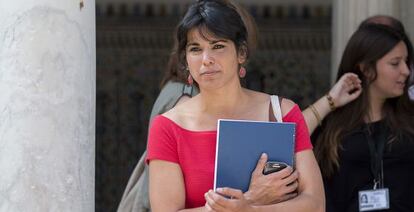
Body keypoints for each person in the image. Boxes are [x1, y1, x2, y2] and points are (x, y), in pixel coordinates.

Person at [146, 0, 325, 211]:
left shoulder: (281, 113)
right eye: (195, 49)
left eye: (218, 46)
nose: (206, 59)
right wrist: (249, 199)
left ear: (241, 53)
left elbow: (316, 204)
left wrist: (250, 209)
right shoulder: (167, 126)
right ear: (185, 60)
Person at [313, 21, 414, 212]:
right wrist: (330, 100)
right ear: (366, 69)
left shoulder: (409, 119)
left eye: (406, 61)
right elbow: (287, 139)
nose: (406, 71)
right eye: (395, 63)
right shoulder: (332, 126)